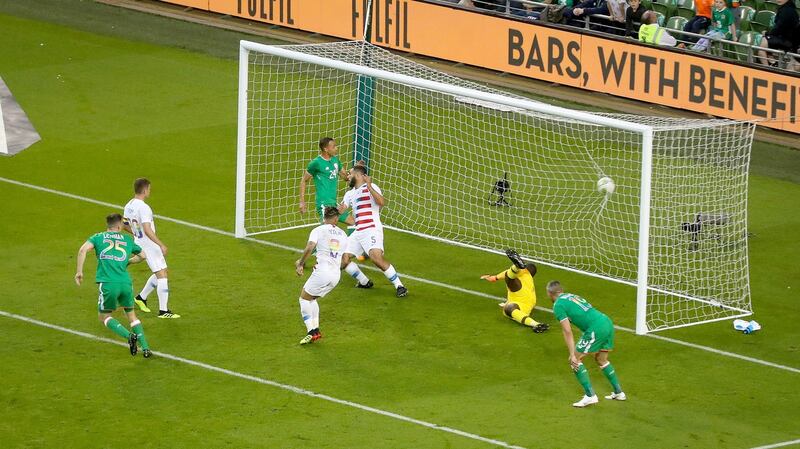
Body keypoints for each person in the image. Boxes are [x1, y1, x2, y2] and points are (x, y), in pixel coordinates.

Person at [75, 213, 152, 358]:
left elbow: (82, 250)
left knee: (104, 316)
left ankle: (129, 336)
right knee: (131, 314)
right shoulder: (127, 239)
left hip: (108, 283)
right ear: (118, 226)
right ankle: (146, 348)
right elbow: (143, 256)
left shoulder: (98, 237)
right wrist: (128, 261)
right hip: (125, 282)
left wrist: (79, 272)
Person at [546, 280, 625, 407]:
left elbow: (567, 330)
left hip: (595, 329)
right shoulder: (572, 296)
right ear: (561, 290)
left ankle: (590, 396)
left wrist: (572, 354)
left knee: (575, 361)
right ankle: (619, 392)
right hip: (606, 322)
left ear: (549, 293)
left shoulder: (558, 305)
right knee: (601, 359)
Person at [338, 165, 408, 298]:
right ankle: (364, 282)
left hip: (371, 229)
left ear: (358, 176)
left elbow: (381, 202)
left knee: (376, 258)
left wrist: (369, 186)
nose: (348, 176)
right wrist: (337, 210)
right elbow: (342, 208)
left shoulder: (371, 187)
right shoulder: (349, 193)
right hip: (358, 231)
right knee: (344, 258)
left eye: (350, 174)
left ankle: (400, 286)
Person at [123, 178, 179, 318]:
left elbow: (124, 224)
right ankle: (163, 311)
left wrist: (137, 233)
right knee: (162, 275)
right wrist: (160, 244)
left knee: (163, 270)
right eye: (149, 189)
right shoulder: (144, 208)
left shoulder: (129, 205)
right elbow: (147, 229)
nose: (150, 191)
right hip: (149, 243)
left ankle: (141, 297)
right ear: (145, 189)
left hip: (140, 240)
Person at [294, 207, 349, 345]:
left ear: (324, 218)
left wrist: (300, 263)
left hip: (322, 272)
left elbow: (310, 246)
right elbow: (345, 260)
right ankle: (316, 330)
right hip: (336, 276)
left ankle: (310, 332)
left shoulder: (318, 230)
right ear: (336, 219)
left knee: (304, 299)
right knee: (312, 299)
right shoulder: (343, 234)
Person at [480, 249, 549, 333]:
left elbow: (507, 274)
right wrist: (495, 277)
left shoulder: (522, 274)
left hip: (520, 300)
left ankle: (535, 324)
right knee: (527, 269)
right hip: (529, 296)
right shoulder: (527, 274)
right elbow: (508, 273)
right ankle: (516, 266)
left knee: (508, 309)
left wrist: (496, 277)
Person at [299, 137, 355, 229]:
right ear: (325, 149)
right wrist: (302, 202)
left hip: (333, 203)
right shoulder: (316, 163)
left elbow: (345, 177)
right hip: (323, 204)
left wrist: (354, 172)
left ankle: (351, 243)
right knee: (327, 230)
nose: (336, 148)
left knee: (353, 223)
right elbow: (304, 180)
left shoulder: (335, 160)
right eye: (333, 147)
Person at [756, 0, 800, 67]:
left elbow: (779, 28)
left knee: (762, 44)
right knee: (765, 40)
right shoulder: (786, 9)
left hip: (788, 41)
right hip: (785, 38)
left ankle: (767, 68)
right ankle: (772, 61)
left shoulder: (787, 11)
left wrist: (767, 33)